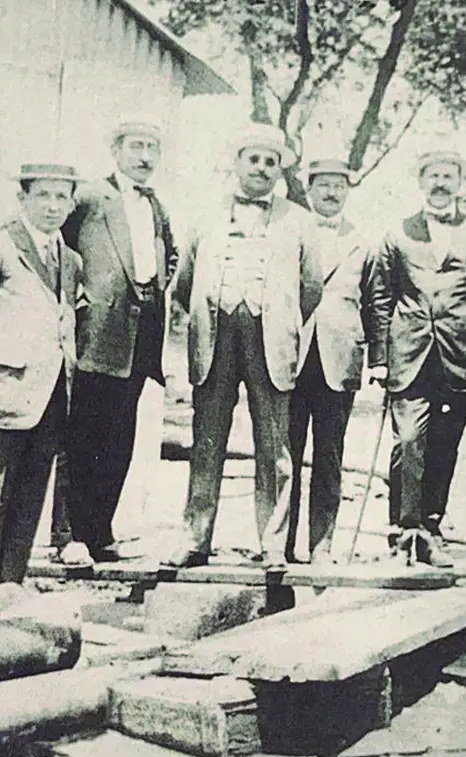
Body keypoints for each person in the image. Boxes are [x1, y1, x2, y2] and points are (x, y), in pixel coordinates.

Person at [166, 123, 323, 570]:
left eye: (270, 161)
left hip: (270, 341)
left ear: (280, 171)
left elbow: (310, 288)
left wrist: (278, 319)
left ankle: (271, 545)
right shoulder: (206, 213)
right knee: (207, 441)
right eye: (253, 158)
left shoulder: (299, 219)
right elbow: (184, 282)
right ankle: (194, 540)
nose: (261, 167)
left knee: (274, 446)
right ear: (236, 164)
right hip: (213, 339)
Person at [51, 115, 179, 566]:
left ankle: (100, 532)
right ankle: (69, 537)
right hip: (97, 335)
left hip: (140, 338)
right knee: (82, 436)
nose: (144, 156)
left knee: (120, 438)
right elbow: (58, 250)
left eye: (152, 148)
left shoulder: (157, 204)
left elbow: (170, 255)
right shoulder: (88, 196)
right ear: (116, 150)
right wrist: (77, 300)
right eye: (136, 146)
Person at [373, 150, 466, 567]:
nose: (440, 183)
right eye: (432, 175)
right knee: (409, 440)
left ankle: (431, 529)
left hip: (458, 357)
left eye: (448, 175)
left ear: (461, 183)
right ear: (420, 180)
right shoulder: (398, 233)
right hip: (409, 353)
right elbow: (381, 296)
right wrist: (380, 356)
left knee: (445, 444)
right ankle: (402, 530)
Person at [0, 163, 83, 583]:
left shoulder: (70, 260)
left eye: (62, 197)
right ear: (22, 199)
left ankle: (6, 598)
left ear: (72, 204)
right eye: (43, 195)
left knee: (25, 510)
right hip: (0, 396)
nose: (53, 206)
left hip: (50, 397)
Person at [286, 159, 381, 564]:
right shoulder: (289, 231)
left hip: (339, 359)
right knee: (285, 456)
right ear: (309, 189)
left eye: (338, 186)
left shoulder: (364, 240)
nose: (330, 193)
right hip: (289, 357)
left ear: (348, 191)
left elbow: (377, 303)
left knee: (330, 457)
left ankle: (321, 545)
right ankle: (281, 545)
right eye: (323, 185)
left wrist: (380, 359)